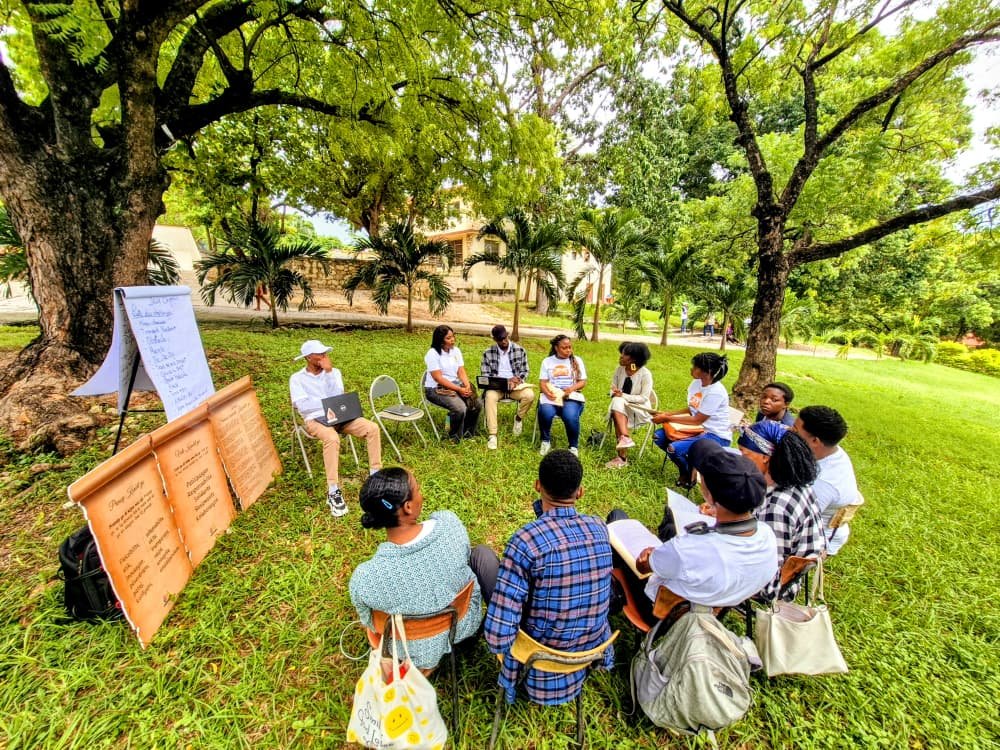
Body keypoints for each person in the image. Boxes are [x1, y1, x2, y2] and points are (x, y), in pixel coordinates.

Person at [483, 450, 614, 705]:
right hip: (587, 654)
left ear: (537, 486)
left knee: (483, 558)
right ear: (580, 492)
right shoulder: (600, 528)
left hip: (537, 658)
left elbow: (497, 636)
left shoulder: (525, 541)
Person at [611, 440, 777, 608]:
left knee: (617, 518)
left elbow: (643, 567)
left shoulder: (690, 547)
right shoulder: (767, 535)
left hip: (660, 610)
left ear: (711, 497)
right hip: (717, 606)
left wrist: (647, 556)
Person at [348, 468, 485, 671]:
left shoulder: (365, 578)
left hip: (407, 648)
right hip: (461, 625)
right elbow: (465, 556)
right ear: (408, 507)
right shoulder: (449, 525)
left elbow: (371, 622)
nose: (422, 493)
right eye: (418, 488)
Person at [289, 339, 382, 517]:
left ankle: (375, 476)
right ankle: (333, 490)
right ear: (308, 357)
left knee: (372, 428)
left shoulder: (334, 372)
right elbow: (302, 406)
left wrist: (329, 372)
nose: (325, 357)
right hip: (315, 418)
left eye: (325, 353)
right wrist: (326, 406)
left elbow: (338, 395)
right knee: (331, 438)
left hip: (340, 416)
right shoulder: (297, 378)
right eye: (320, 354)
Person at [753, 431, 826, 600]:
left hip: (772, 585)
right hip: (786, 572)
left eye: (744, 453)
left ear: (766, 458)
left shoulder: (777, 506)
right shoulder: (796, 483)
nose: (740, 459)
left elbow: (770, 566)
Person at [651, 352, 731, 488]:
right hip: (697, 429)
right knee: (658, 437)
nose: (692, 369)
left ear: (708, 371)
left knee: (673, 449)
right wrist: (668, 413)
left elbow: (697, 420)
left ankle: (687, 473)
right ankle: (690, 464)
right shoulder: (696, 383)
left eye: (695, 367)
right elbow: (691, 409)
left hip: (715, 435)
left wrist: (667, 418)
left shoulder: (716, 392)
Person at [793, 406, 862, 555]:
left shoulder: (821, 484)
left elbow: (798, 526)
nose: (789, 432)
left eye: (795, 430)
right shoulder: (830, 450)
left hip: (817, 538)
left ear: (815, 441)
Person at [480, 324, 536, 451]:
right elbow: (485, 375)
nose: (504, 341)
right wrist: (500, 382)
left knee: (529, 395)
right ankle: (492, 435)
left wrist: (517, 379)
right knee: (489, 396)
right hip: (497, 387)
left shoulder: (519, 350)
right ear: (495, 339)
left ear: (508, 335)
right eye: (500, 339)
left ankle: (518, 419)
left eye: (505, 338)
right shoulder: (487, 353)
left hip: (515, 387)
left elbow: (525, 371)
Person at [423, 325, 482, 442]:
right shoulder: (432, 354)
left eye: (453, 336)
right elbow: (438, 378)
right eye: (448, 338)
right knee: (460, 408)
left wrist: (466, 386)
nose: (453, 340)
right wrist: (459, 390)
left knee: (476, 404)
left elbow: (461, 370)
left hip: (455, 384)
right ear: (440, 340)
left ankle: (468, 434)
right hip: (435, 389)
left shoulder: (456, 351)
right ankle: (452, 436)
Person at [537, 334, 587, 457]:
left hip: (571, 396)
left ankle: (573, 446)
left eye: (570, 347)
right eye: (565, 348)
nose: (568, 350)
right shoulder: (547, 361)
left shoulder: (577, 360)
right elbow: (542, 382)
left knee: (569, 416)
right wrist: (547, 393)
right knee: (545, 412)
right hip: (552, 395)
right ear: (556, 348)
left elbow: (582, 382)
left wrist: (570, 389)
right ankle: (545, 441)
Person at [606, 342, 653, 469]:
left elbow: (644, 398)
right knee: (617, 404)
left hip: (638, 409)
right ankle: (624, 440)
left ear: (634, 359)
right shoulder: (619, 370)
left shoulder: (645, 374)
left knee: (617, 405)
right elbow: (612, 388)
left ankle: (622, 456)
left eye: (625, 354)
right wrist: (615, 393)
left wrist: (623, 396)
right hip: (620, 407)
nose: (621, 356)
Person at [736, 382, 796, 463]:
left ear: (786, 404)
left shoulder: (787, 427)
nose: (766, 401)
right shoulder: (762, 414)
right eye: (764, 397)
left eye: (774, 400)